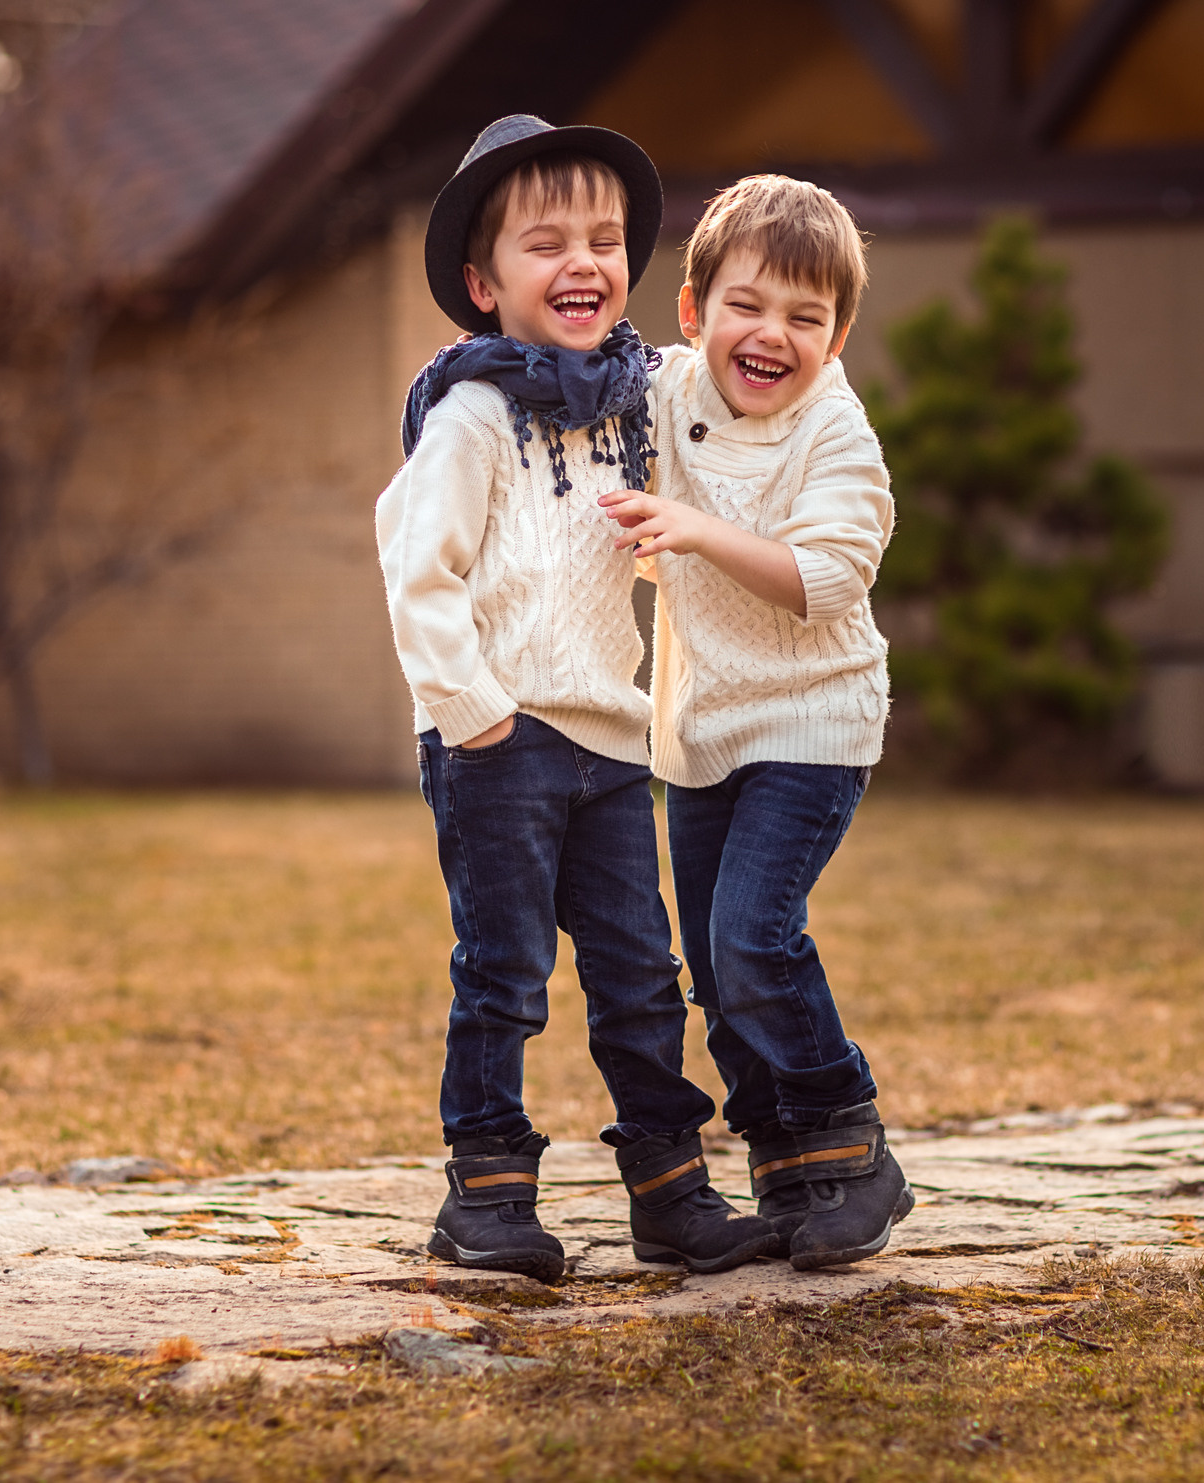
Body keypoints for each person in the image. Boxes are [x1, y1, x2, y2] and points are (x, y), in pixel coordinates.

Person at [374, 116, 779, 1283]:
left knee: (641, 974)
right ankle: (487, 1192)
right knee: (502, 971)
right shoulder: (472, 414)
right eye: (545, 243)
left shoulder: (629, 403)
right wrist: (474, 711)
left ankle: (670, 1188)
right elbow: (415, 566)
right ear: (482, 282)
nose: (583, 263)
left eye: (603, 240)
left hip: (608, 739)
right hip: (498, 741)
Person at [600, 175, 907, 1270]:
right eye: (747, 304)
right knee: (716, 977)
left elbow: (826, 579)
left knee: (752, 938)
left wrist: (692, 526)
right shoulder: (665, 390)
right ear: (694, 312)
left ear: (837, 338)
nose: (772, 333)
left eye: (805, 316)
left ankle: (853, 1146)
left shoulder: (836, 434)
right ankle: (787, 1171)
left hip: (813, 721)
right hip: (702, 731)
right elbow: (579, 382)